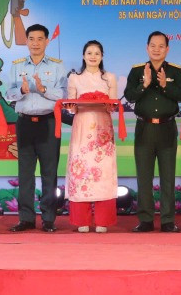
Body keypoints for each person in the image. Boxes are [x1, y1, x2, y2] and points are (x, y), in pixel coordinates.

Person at [124, 31, 181, 232]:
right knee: (144, 177)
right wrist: (144, 85)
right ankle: (146, 220)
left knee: (168, 176)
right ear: (147, 48)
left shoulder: (175, 71)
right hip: (144, 128)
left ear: (167, 49)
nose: (157, 49)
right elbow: (129, 96)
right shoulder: (137, 71)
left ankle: (168, 220)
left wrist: (164, 86)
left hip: (167, 128)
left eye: (161, 46)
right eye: (153, 45)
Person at [6, 24, 66, 232]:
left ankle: (48, 219)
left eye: (40, 39)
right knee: (25, 173)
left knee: (49, 172)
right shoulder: (17, 66)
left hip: (48, 122)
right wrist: (22, 91)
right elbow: (9, 94)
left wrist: (43, 89)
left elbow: (63, 94)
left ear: (47, 41)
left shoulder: (57, 66)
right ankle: (26, 218)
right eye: (31, 39)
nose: (35, 43)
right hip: (25, 123)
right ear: (27, 41)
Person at [65, 40, 118, 233]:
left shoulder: (109, 78)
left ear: (102, 56)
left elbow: (113, 106)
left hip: (102, 127)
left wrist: (108, 105)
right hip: (82, 126)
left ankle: (103, 220)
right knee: (81, 170)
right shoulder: (74, 78)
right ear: (83, 56)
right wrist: (72, 107)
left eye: (97, 53)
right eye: (89, 53)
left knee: (103, 171)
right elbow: (70, 107)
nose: (93, 56)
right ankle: (82, 220)